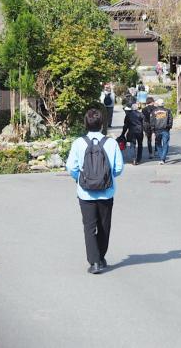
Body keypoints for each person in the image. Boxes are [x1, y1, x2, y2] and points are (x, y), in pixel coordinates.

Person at [66, 108, 124, 274]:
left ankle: (95, 262)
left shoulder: (78, 143)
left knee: (89, 227)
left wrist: (81, 178)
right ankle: (101, 257)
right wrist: (106, 177)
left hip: (85, 193)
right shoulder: (111, 143)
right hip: (106, 192)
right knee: (104, 225)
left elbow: (71, 167)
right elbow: (119, 169)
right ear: (102, 124)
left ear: (86, 123)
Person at [150, 98, 173, 164]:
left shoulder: (154, 111)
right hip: (165, 129)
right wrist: (169, 127)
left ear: (157, 104)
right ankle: (163, 158)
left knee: (158, 144)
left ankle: (162, 158)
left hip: (157, 130)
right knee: (165, 144)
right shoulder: (168, 111)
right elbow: (170, 120)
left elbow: (152, 121)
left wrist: (153, 130)